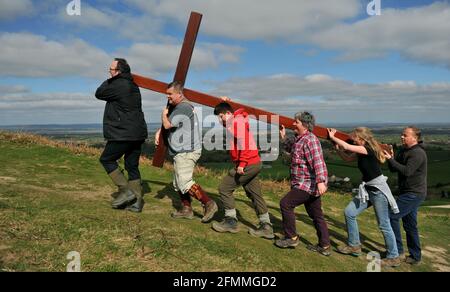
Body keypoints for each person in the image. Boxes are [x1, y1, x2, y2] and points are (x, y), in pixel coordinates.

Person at [328, 127, 401, 267]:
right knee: (349, 212)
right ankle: (354, 245)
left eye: (355, 138)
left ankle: (394, 256)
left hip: (378, 191)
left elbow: (346, 146)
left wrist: (332, 136)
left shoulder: (366, 149)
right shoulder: (361, 151)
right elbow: (347, 158)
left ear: (361, 139)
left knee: (384, 224)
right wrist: (337, 149)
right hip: (368, 190)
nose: (353, 140)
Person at [210, 100, 274, 239]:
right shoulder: (237, 120)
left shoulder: (236, 123)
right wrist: (225, 102)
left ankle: (231, 221)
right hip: (254, 162)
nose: (220, 120)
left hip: (248, 163)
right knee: (254, 193)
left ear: (228, 113)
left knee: (224, 188)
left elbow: (244, 144)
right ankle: (266, 226)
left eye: (221, 116)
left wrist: (242, 164)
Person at [156, 81, 218, 222]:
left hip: (186, 150)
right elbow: (171, 127)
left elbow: (167, 124)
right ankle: (186, 209)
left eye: (170, 94)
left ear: (179, 93)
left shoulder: (182, 107)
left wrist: (163, 114)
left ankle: (208, 203)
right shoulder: (183, 107)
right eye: (167, 95)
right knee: (178, 183)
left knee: (184, 182)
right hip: (183, 150)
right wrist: (159, 132)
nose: (168, 97)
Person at [275, 112, 331, 256]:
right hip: (305, 184)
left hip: (307, 184)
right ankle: (324, 245)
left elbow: (317, 161)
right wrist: (283, 137)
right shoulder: (299, 139)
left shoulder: (310, 140)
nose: (293, 124)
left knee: (285, 204)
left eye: (296, 122)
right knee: (316, 215)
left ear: (305, 125)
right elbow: (291, 149)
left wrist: (321, 182)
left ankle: (291, 237)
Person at [95, 58, 148, 212]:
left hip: (123, 133)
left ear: (118, 71)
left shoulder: (118, 84)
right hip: (138, 132)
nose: (109, 71)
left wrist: (110, 79)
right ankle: (137, 203)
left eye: (111, 69)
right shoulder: (133, 85)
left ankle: (126, 191)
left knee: (106, 159)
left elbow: (99, 93)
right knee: (132, 165)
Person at [384, 126, 427, 265]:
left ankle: (396, 251)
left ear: (415, 138)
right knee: (410, 225)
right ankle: (415, 256)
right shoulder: (404, 150)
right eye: (402, 134)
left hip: (414, 193)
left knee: (391, 215)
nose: (402, 137)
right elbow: (393, 168)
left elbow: (407, 171)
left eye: (405, 135)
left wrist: (391, 159)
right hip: (407, 192)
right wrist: (391, 155)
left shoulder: (418, 153)